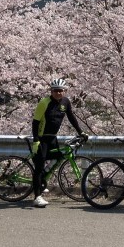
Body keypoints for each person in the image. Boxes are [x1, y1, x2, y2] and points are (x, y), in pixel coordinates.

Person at [31, 78, 88, 208]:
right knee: (39, 167)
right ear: (51, 91)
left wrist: (81, 132)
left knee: (58, 158)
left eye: (61, 91)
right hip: (42, 138)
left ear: (65, 91)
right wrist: (35, 140)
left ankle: (42, 181)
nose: (58, 93)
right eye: (55, 91)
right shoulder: (44, 102)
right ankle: (37, 197)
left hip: (52, 138)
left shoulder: (65, 102)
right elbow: (35, 122)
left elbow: (71, 117)